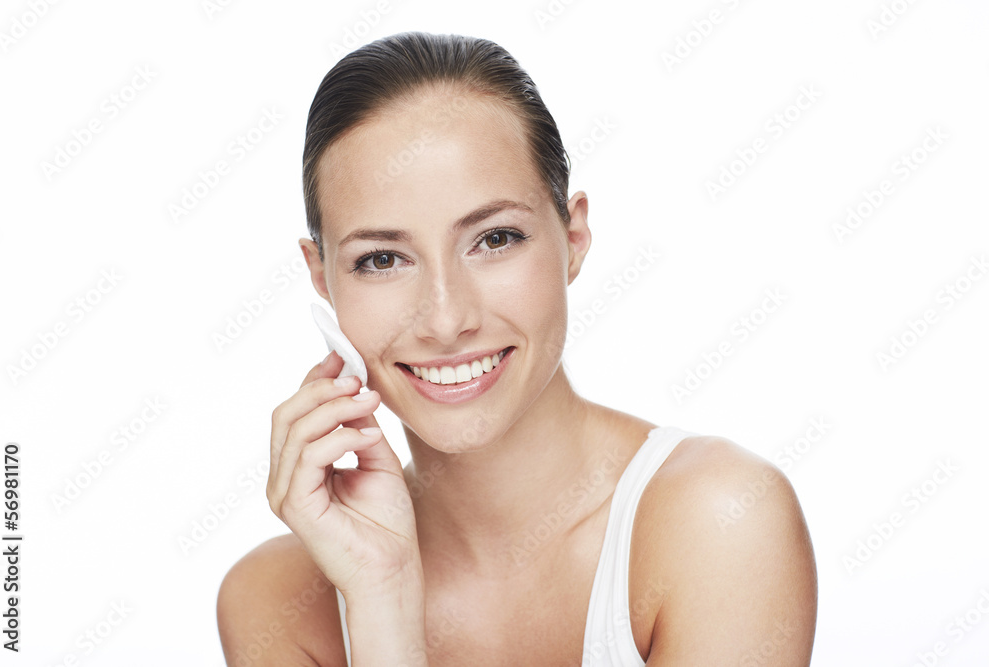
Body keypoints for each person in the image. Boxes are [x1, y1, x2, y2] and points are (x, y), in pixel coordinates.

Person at [217, 31, 818, 666]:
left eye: (495, 238)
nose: (446, 320)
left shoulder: (718, 522)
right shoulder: (274, 601)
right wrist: (383, 599)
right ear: (322, 279)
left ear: (574, 235)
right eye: (382, 259)